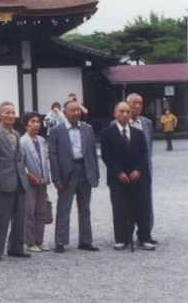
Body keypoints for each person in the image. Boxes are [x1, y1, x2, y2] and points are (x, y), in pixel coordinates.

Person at [100, 102, 154, 251]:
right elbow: (106, 156)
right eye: (121, 111)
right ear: (115, 113)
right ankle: (121, 238)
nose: (125, 114)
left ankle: (144, 237)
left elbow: (144, 154)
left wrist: (138, 170)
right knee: (120, 208)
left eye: (128, 112)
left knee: (142, 207)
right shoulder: (107, 133)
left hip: (138, 177)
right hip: (118, 177)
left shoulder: (138, 133)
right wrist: (119, 172)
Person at [48, 99, 100, 253]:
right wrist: (55, 177)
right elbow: (53, 155)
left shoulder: (87, 129)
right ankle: (60, 241)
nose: (77, 113)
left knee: (85, 208)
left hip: (85, 170)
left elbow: (92, 152)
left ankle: (86, 241)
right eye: (73, 110)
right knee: (64, 208)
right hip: (67, 172)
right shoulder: (56, 131)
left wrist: (96, 174)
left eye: (78, 110)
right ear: (65, 113)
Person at [0, 102, 29, 261]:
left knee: (20, 217)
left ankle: (16, 248)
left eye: (13, 112)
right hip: (3, 181)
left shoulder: (17, 134)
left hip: (20, 180)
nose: (11, 115)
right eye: (7, 112)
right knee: (2, 218)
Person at [126, 93, 156, 243]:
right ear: (127, 104)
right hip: (127, 172)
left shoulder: (147, 123)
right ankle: (126, 235)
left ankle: (145, 234)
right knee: (127, 203)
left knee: (146, 204)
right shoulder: (119, 123)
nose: (137, 106)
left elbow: (149, 148)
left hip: (144, 170)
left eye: (140, 103)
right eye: (134, 103)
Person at [20, 112, 52, 252]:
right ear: (26, 125)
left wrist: (47, 178)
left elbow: (46, 161)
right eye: (32, 121)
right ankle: (30, 242)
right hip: (29, 182)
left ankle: (40, 241)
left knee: (42, 211)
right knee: (29, 212)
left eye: (38, 121)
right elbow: (20, 164)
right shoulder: (22, 141)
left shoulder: (41, 140)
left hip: (42, 181)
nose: (36, 124)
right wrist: (30, 176)